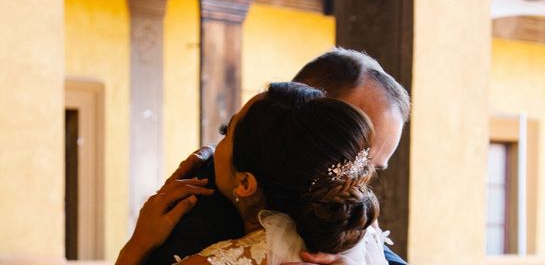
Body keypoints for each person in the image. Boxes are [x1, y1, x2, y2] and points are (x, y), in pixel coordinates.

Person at [138, 48, 410, 264]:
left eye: (367, 167)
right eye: (344, 135)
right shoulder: (195, 208)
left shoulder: (350, 217)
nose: (354, 178)